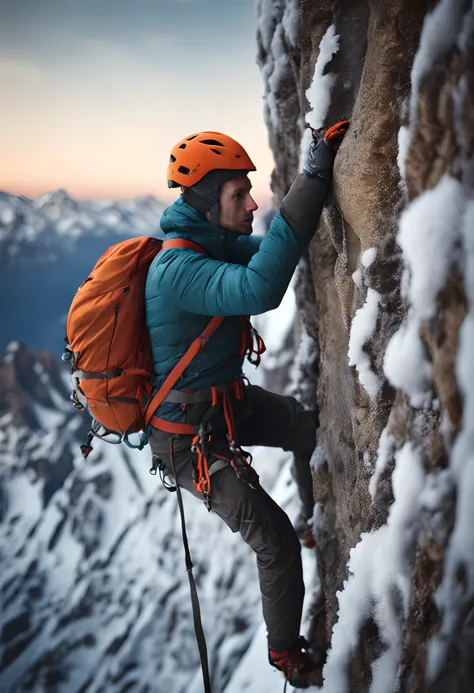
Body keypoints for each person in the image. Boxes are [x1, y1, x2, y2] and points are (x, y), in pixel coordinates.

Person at [145, 122, 348, 689]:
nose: (253, 202)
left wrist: (320, 178)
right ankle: (285, 653)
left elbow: (281, 245)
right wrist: (312, 173)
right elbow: (262, 287)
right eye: (239, 193)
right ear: (208, 205)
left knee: (304, 428)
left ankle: (314, 520)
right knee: (274, 543)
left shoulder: (212, 243)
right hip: (189, 440)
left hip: (221, 405)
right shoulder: (177, 269)